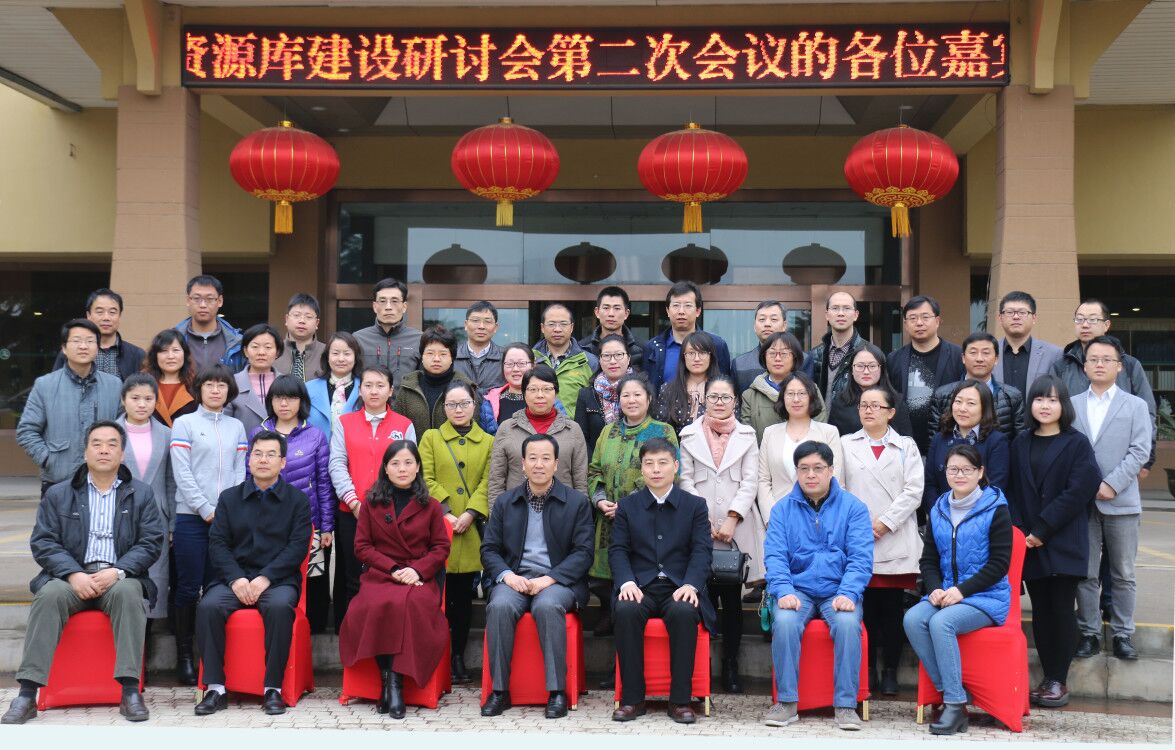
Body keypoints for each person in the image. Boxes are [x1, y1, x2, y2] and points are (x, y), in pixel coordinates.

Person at [1, 421, 164, 726]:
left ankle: (130, 691)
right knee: (49, 594)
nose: (104, 450)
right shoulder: (59, 493)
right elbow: (44, 542)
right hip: (71, 579)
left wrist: (118, 571)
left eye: (112, 444)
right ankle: (27, 694)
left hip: (116, 578)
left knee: (130, 592)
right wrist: (73, 574)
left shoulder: (140, 494)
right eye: (96, 443)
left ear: (122, 454)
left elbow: (151, 542)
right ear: (85, 451)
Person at [194, 431, 313, 717]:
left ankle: (273, 689)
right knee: (209, 606)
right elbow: (218, 543)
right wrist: (236, 579)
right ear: (249, 460)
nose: (263, 460)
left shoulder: (297, 500)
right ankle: (215, 688)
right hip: (233, 579)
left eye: (271, 455)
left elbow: (297, 547)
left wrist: (265, 578)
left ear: (283, 462)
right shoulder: (229, 498)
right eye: (257, 454)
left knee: (279, 608)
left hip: (277, 580)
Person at [480, 433, 595, 719]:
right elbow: (489, 549)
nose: (539, 464)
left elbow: (583, 553)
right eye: (532, 458)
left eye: (546, 458)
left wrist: (550, 578)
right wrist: (507, 575)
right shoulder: (506, 502)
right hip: (515, 578)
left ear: (556, 464)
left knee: (547, 605)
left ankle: (556, 692)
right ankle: (499, 691)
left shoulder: (576, 503)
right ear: (523, 463)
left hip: (557, 582)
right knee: (499, 606)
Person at [763, 441, 872, 731]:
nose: (811, 475)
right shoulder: (782, 510)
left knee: (847, 624)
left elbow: (861, 558)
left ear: (831, 470)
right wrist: (783, 590)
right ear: (796, 472)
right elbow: (774, 556)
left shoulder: (853, 508)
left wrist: (849, 593)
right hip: (797, 589)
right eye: (804, 469)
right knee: (785, 621)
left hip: (838, 590)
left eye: (818, 468)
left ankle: (846, 706)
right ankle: (787, 703)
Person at [904, 444, 1012, 737]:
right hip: (948, 593)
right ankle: (954, 693)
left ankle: (953, 704)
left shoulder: (996, 508)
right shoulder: (939, 508)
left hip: (986, 596)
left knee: (941, 622)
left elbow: (1000, 564)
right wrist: (936, 589)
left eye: (967, 469)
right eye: (953, 469)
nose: (959, 475)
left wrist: (961, 591)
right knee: (912, 619)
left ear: (980, 472)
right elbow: (928, 560)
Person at [337, 440, 451, 721]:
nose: (402, 469)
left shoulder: (431, 506)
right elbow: (362, 547)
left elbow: (440, 547)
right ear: (385, 469)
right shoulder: (371, 503)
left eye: (408, 463)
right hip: (382, 574)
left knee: (410, 606)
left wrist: (417, 571)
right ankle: (387, 678)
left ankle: (395, 684)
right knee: (372, 605)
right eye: (395, 463)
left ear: (418, 467)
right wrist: (392, 568)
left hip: (419, 577)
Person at [1007, 375, 1101, 707]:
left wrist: (1043, 529)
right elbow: (1012, 490)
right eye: (1039, 399)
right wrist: (1022, 531)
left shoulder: (1077, 444)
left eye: (1053, 399)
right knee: (1042, 611)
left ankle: (1058, 680)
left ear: (1064, 405)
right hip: (1029, 542)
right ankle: (1048, 678)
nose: (1045, 406)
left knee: (1061, 609)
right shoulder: (1020, 442)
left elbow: (1079, 491)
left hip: (1062, 539)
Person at [610, 438, 715, 725]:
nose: (656, 469)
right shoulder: (628, 506)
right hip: (639, 585)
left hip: (679, 586)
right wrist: (626, 582)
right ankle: (632, 699)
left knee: (684, 612)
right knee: (626, 610)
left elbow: (702, 550)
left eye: (663, 463)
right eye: (649, 463)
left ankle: (680, 701)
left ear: (676, 466)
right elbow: (618, 549)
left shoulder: (694, 505)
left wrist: (691, 584)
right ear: (642, 468)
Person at [677, 376, 762, 694]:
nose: (719, 402)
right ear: (704, 400)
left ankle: (730, 665)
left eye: (726, 397)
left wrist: (732, 518)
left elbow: (751, 481)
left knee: (732, 600)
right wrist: (703, 521)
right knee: (702, 596)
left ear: (735, 401)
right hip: (698, 527)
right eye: (713, 396)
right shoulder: (688, 435)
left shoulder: (747, 435)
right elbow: (684, 479)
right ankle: (701, 666)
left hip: (735, 528)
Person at [1071, 336, 1151, 661]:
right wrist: (1084, 486)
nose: (1100, 364)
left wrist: (1112, 484)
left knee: (1123, 573)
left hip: (1122, 501)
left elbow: (1140, 450)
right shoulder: (1072, 404)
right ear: (1085, 366)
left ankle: (1122, 634)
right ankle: (1089, 633)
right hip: (1083, 503)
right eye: (1093, 359)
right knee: (1086, 573)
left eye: (1107, 359)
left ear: (1119, 366)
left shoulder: (1135, 405)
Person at [841, 386, 923, 697]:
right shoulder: (846, 444)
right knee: (866, 607)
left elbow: (914, 491)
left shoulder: (906, 446)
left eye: (876, 405)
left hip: (895, 535)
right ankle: (868, 669)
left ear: (891, 412)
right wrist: (862, 525)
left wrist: (886, 522)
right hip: (858, 536)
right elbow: (839, 487)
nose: (869, 410)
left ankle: (890, 669)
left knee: (892, 609)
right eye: (864, 405)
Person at [170, 364, 247, 685]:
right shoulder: (184, 424)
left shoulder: (236, 427)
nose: (216, 390)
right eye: (209, 385)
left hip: (226, 521)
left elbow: (240, 471)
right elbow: (182, 472)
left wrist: (226, 510)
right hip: (191, 518)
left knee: (218, 587)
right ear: (199, 389)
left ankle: (212, 657)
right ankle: (185, 657)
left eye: (221, 385)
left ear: (229, 391)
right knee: (188, 588)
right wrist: (205, 508)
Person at [586, 374, 678, 638]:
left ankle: (629, 615)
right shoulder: (608, 431)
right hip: (607, 517)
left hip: (648, 517)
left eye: (638, 394)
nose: (631, 400)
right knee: (605, 572)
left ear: (648, 399)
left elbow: (669, 473)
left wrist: (627, 505)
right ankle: (609, 611)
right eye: (625, 395)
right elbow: (594, 471)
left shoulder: (662, 431)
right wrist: (599, 499)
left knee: (637, 571)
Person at [328, 364, 416, 632]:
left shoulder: (404, 425)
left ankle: (383, 635)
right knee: (353, 577)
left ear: (391, 390)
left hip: (392, 515)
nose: (374, 391)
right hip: (351, 512)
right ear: (360, 390)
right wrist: (353, 501)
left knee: (386, 575)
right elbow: (337, 463)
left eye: (380, 386)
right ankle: (351, 635)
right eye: (368, 385)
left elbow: (410, 467)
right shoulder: (345, 422)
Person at [247, 375, 334, 634]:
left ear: (302, 402)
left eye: (291, 398)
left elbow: (323, 483)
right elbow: (248, 479)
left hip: (308, 522)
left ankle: (312, 634)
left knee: (313, 578)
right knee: (272, 575)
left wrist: (326, 526)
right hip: (265, 522)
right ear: (271, 401)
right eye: (278, 398)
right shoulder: (258, 434)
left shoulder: (315, 436)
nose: (284, 404)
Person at [418, 382, 492, 684]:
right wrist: (446, 511)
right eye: (452, 405)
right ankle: (438, 655)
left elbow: (488, 481)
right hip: (438, 529)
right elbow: (425, 477)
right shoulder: (431, 438)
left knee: (462, 600)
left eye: (464, 404)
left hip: (470, 528)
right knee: (437, 597)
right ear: (444, 408)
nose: (458, 410)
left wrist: (471, 512)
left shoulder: (488, 442)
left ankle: (458, 656)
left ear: (474, 405)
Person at [17, 318, 122, 497]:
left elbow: (123, 430)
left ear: (97, 347)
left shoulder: (114, 385)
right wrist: (48, 459)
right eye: (76, 341)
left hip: (105, 481)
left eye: (90, 341)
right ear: (64, 348)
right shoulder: (45, 385)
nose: (83, 346)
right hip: (57, 481)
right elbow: (26, 431)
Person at [1052, 300, 1156, 473]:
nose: (1085, 324)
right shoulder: (1061, 366)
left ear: (1107, 325)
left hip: (1121, 462)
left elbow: (1148, 413)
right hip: (1071, 462)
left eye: (1092, 319)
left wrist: (1147, 461)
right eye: (1079, 319)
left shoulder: (1129, 365)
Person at [117, 375, 176, 647]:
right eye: (135, 398)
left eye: (148, 398)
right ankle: (125, 644)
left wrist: (173, 523)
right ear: (123, 400)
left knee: (154, 576)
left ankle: (145, 644)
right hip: (118, 516)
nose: (142, 404)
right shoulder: (111, 433)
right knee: (122, 574)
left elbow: (171, 481)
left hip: (156, 517)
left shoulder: (166, 434)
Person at [487, 365, 588, 506]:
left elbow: (581, 482)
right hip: (516, 509)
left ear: (556, 393)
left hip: (563, 511)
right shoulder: (507, 428)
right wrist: (497, 515)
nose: (540, 395)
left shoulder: (572, 429)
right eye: (533, 389)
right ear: (524, 393)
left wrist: (581, 514)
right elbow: (496, 481)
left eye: (547, 389)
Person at [757, 373, 844, 520]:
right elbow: (763, 480)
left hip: (819, 516)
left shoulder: (829, 432)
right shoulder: (770, 433)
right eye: (790, 394)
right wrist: (772, 518)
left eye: (802, 393)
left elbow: (834, 477)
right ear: (782, 398)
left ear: (811, 397)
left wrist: (820, 516)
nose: (796, 399)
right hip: (779, 516)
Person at [887, 295, 966, 454]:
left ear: (937, 321)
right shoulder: (894, 359)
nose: (919, 323)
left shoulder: (958, 356)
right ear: (905, 324)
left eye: (925, 317)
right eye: (913, 318)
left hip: (947, 442)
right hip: (904, 444)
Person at [923, 379, 1011, 520]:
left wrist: (969, 520)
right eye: (958, 402)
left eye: (971, 403)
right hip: (942, 519)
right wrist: (939, 515)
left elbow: (996, 487)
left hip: (980, 520)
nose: (962, 408)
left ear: (984, 408)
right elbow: (930, 484)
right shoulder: (939, 439)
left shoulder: (996, 441)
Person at [928, 332, 1025, 440]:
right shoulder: (942, 395)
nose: (979, 359)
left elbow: (1020, 441)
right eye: (973, 352)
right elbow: (934, 439)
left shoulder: (1012, 396)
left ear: (996, 359)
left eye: (986, 353)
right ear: (963, 358)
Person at [643, 281, 732, 395]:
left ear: (698, 311)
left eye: (688, 306)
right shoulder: (652, 347)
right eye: (676, 305)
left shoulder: (716, 345)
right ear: (667, 311)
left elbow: (726, 386)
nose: (681, 311)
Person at [394, 325, 480, 438]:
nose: (436, 359)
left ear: (452, 358)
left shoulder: (466, 388)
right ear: (422, 356)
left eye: (443, 354)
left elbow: (473, 428)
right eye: (430, 353)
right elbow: (397, 429)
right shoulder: (408, 387)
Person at [51, 289, 146, 380]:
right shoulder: (70, 351)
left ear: (119, 315)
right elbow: (55, 384)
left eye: (112, 312)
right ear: (88, 315)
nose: (106, 318)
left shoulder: (137, 355)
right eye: (100, 312)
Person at [828, 344, 915, 438]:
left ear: (882, 369)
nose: (866, 371)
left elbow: (906, 440)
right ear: (851, 370)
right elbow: (834, 440)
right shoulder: (840, 402)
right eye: (860, 366)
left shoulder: (896, 401)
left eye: (872, 366)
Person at [803, 291, 869, 409]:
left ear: (856, 315)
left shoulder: (869, 353)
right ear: (827, 315)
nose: (840, 313)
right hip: (820, 420)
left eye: (847, 308)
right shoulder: (815, 355)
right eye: (835, 308)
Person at [533, 302, 598, 419]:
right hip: (535, 427)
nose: (557, 329)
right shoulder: (530, 359)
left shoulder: (589, 361)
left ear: (572, 327)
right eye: (551, 324)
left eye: (563, 324)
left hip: (573, 428)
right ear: (542, 328)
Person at [992, 291, 1063, 398]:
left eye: (1022, 312)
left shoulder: (1054, 354)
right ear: (1000, 318)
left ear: (1034, 318)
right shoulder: (988, 352)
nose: (1016, 317)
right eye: (1010, 312)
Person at [353, 278, 422, 387]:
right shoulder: (358, 339)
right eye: (382, 301)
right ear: (375, 306)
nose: (388, 307)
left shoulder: (419, 339)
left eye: (394, 301)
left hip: (405, 399)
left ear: (404, 307)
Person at [740, 331, 804, 443]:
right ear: (764, 356)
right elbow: (747, 437)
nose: (777, 358)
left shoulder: (809, 390)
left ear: (795, 357)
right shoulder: (750, 396)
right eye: (772, 353)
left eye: (784, 353)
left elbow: (818, 429)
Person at [574, 334, 634, 453]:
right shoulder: (586, 395)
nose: (613, 361)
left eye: (619, 355)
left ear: (628, 358)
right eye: (606, 356)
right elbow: (580, 439)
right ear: (600, 360)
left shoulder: (641, 392)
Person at [654, 330, 720, 434]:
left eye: (702, 353)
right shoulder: (668, 390)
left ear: (711, 357)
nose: (696, 359)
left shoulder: (723, 389)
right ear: (683, 357)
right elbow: (662, 431)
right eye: (691, 353)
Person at [175, 275, 245, 373]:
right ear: (188, 300)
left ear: (220, 301)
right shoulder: (173, 339)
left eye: (210, 299)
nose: (203, 305)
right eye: (196, 298)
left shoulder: (237, 342)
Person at [227, 323, 286, 436]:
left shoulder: (288, 384)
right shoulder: (231, 383)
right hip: (243, 446)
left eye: (268, 347)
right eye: (255, 347)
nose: (261, 352)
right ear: (245, 351)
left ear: (277, 352)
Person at [306, 331, 363, 437]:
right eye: (335, 353)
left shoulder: (365, 389)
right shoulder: (308, 389)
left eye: (347, 353)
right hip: (315, 446)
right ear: (327, 357)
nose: (341, 359)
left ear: (356, 358)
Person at [579, 285, 645, 372]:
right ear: (597, 312)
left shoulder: (642, 348)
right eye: (606, 308)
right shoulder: (583, 348)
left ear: (626, 313)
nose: (611, 314)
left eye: (617, 308)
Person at [143, 328, 198, 427]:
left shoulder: (196, 386)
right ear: (155, 356)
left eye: (176, 350)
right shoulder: (143, 385)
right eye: (164, 351)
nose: (170, 356)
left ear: (185, 354)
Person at [732, 301, 787, 395]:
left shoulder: (802, 360)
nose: (767, 324)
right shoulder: (739, 364)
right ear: (754, 326)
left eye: (774, 319)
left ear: (784, 326)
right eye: (762, 319)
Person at [454, 301, 506, 391]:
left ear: (495, 327)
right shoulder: (451, 355)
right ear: (466, 325)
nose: (481, 326)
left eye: (487, 321)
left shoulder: (505, 358)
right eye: (475, 321)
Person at [275, 293, 325, 382]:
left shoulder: (327, 352)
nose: (302, 321)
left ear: (317, 323)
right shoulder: (274, 350)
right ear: (286, 319)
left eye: (308, 317)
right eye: (296, 315)